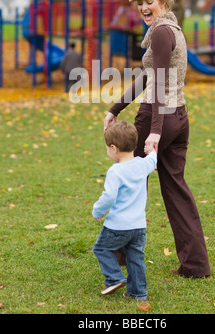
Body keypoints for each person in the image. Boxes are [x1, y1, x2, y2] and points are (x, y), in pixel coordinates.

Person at [103, 0, 211, 278]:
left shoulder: (162, 32)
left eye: (149, 1)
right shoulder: (169, 28)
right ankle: (195, 266)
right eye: (140, 3)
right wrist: (116, 109)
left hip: (158, 115)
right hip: (179, 116)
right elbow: (149, 75)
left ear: (163, 1)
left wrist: (154, 131)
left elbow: (159, 82)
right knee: (176, 190)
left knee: (127, 182)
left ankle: (117, 251)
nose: (143, 8)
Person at [92, 120, 157, 300]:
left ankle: (114, 278)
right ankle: (138, 293)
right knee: (135, 258)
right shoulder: (143, 165)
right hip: (139, 227)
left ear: (114, 148)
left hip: (117, 226)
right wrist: (152, 151)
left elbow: (109, 196)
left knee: (101, 249)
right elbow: (153, 160)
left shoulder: (116, 171)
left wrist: (97, 211)